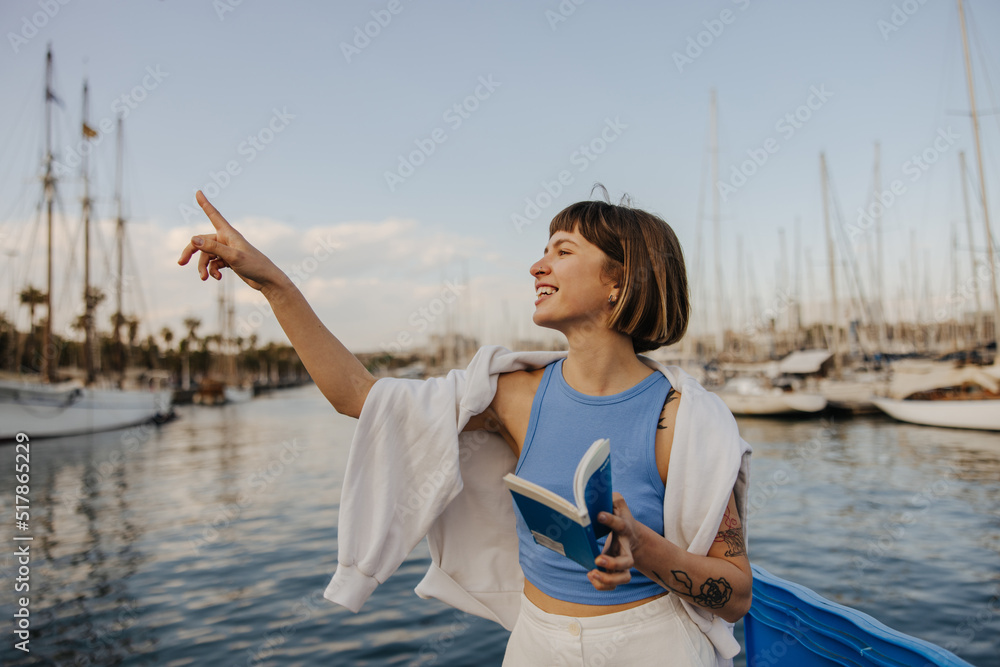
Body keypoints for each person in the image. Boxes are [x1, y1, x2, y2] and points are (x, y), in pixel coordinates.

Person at [178, 190, 752, 666]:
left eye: (562, 250)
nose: (537, 265)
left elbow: (735, 594)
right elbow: (358, 396)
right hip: (536, 644)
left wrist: (645, 550)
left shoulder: (684, 418)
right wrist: (272, 282)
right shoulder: (511, 393)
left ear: (618, 283)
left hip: (651, 645)